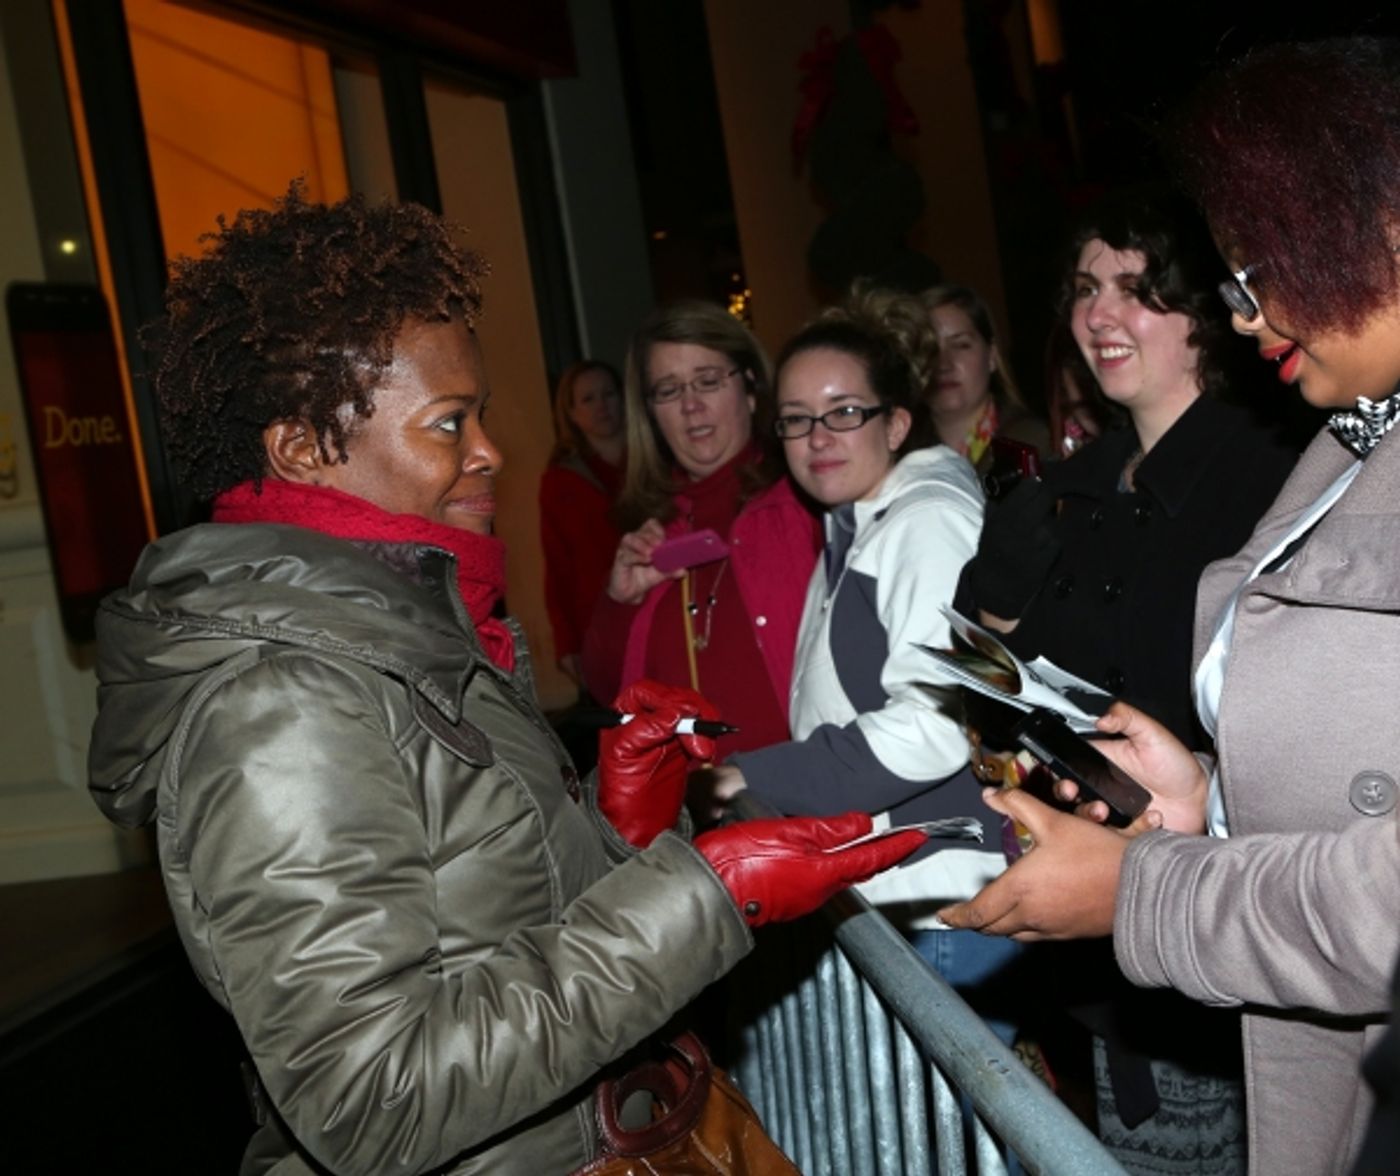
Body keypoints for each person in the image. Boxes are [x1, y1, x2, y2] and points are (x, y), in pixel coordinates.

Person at [83, 187, 924, 1176]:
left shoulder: (407, 628)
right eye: (449, 423)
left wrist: (614, 827)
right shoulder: (282, 702)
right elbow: (373, 1100)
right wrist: (706, 898)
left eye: (477, 415)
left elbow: (487, 925)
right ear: (303, 449)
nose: (488, 451)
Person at [939, 37, 1400, 1176]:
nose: (1246, 312)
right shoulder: (1334, 451)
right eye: (1082, 289)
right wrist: (1205, 795)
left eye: (1259, 264)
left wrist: (1144, 892)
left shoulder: (1270, 455)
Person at [688, 286, 1036, 1040]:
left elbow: (935, 729)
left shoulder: (927, 522)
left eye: (844, 412)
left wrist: (757, 774)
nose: (818, 437)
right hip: (908, 894)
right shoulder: (859, 518)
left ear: (897, 422)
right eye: (796, 419)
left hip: (941, 901)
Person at [580, 302, 822, 759]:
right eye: (669, 390)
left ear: (751, 389)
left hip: (801, 794)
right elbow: (607, 688)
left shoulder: (806, 507)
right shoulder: (652, 534)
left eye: (708, 381)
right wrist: (620, 602)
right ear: (651, 414)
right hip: (685, 802)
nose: (691, 406)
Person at [538, 360, 625, 686]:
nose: (602, 405)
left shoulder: (657, 463)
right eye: (588, 399)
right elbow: (557, 566)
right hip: (599, 620)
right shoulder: (560, 482)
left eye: (609, 394)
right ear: (572, 413)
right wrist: (566, 643)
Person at [921, 283, 1049, 475]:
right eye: (929, 349)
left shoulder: (1031, 445)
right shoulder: (897, 458)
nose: (944, 364)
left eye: (961, 345)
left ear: (992, 356)